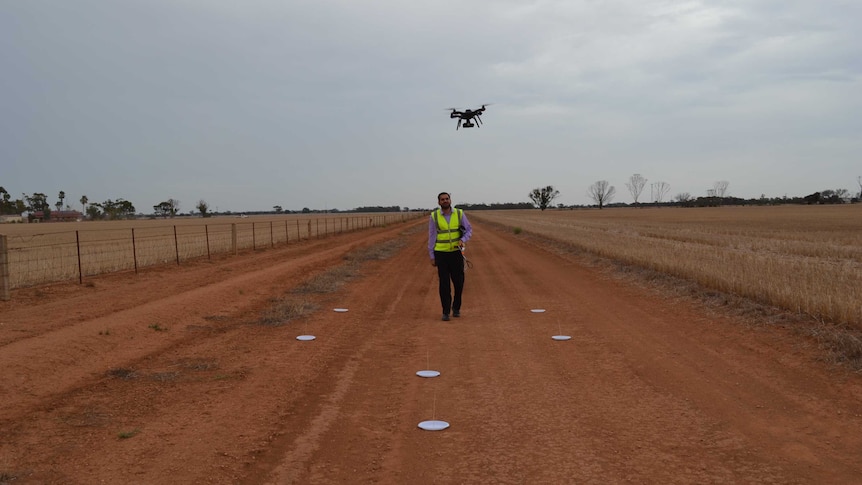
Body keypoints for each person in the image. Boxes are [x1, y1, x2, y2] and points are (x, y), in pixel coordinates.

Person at [428, 192, 473, 321]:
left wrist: (463, 239)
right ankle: (445, 311)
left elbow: (469, 229)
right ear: (439, 202)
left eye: (447, 198)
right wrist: (431, 255)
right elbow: (431, 237)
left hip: (456, 253)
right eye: (442, 199)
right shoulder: (434, 216)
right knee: (444, 284)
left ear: (450, 200)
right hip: (441, 254)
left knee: (459, 283)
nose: (445, 201)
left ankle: (456, 307)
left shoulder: (459, 213)